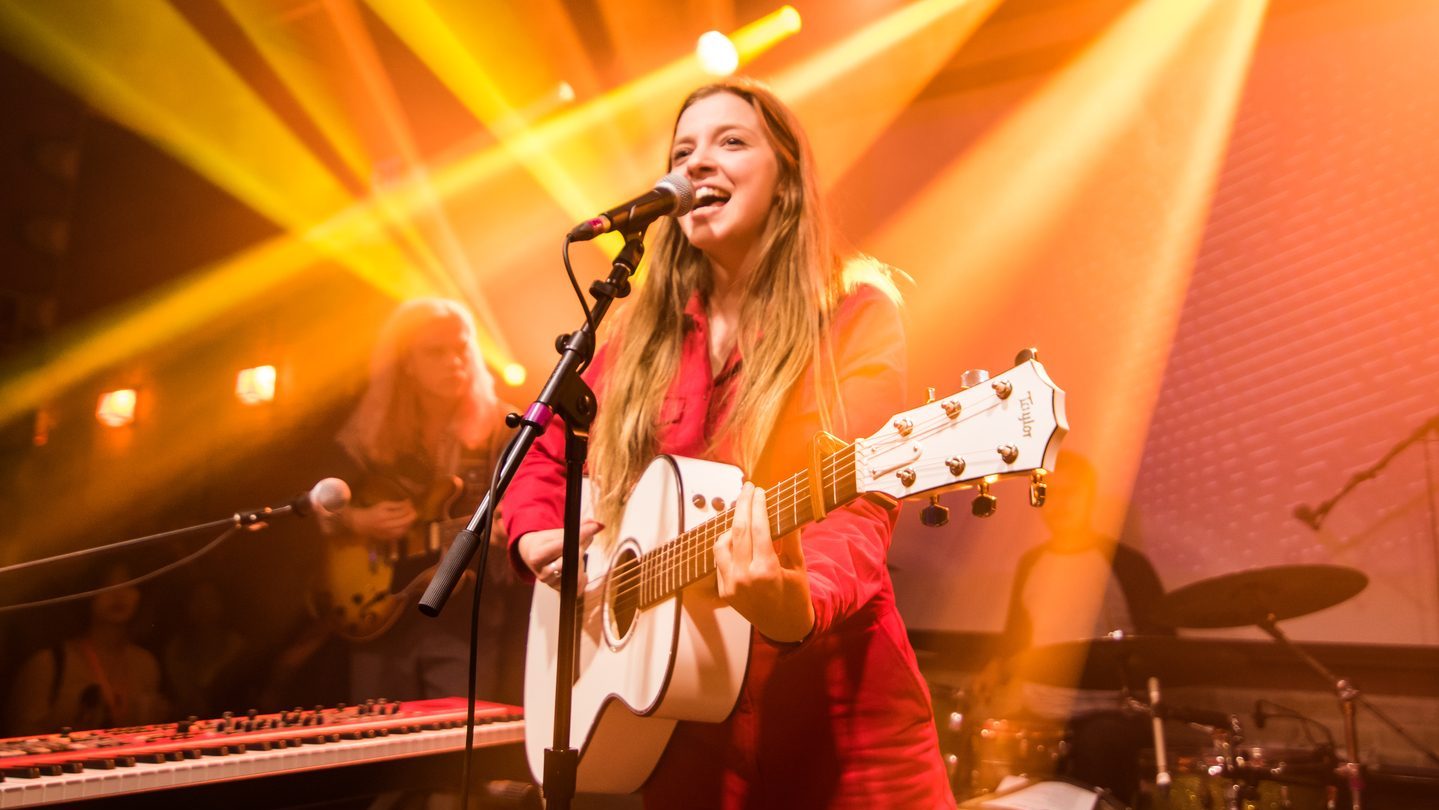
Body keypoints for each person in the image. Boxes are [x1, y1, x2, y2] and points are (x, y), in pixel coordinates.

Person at [503, 79, 954, 809]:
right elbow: (537, 450)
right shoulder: (634, 335)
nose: (697, 164)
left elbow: (858, 500)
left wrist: (795, 602)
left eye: (730, 142)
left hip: (845, 739)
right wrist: (533, 533)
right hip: (684, 745)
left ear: (786, 180)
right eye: (683, 151)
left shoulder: (853, 315)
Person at [323, 297, 525, 706]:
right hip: (379, 615)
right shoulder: (369, 430)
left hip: (464, 617)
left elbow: (524, 505)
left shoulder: (504, 426)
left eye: (462, 348)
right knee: (376, 749)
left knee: (450, 748)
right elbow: (321, 504)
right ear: (406, 363)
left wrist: (518, 529)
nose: (455, 362)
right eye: (437, 352)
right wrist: (357, 522)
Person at [974, 451, 1172, 804]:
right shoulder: (1032, 563)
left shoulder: (1126, 566)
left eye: (1071, 494)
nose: (1061, 505)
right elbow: (1017, 637)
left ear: (1089, 499)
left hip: (1107, 713)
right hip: (1038, 707)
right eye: (1053, 495)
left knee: (1101, 744)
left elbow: (1160, 648)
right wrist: (995, 668)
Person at [6, 562, 168, 735]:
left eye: (129, 584)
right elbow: (19, 735)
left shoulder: (145, 663)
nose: (119, 594)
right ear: (87, 592)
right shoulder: (49, 663)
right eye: (106, 585)